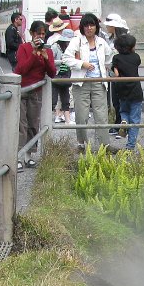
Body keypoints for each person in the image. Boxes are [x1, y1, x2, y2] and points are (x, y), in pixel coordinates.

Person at [63, 12, 113, 151]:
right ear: (82, 27)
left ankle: (104, 145)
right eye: (86, 25)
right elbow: (66, 58)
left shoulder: (101, 42)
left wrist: (106, 69)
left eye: (92, 25)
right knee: (81, 115)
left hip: (99, 83)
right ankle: (82, 144)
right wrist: (82, 64)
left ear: (96, 27)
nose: (89, 28)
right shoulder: (77, 41)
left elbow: (109, 57)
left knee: (101, 115)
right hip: (81, 83)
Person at [13, 20, 56, 171]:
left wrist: (45, 57)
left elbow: (52, 72)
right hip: (22, 89)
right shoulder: (23, 48)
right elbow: (21, 69)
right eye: (38, 34)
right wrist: (33, 54)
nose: (41, 37)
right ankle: (18, 156)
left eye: (43, 34)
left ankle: (28, 155)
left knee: (33, 123)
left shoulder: (48, 51)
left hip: (36, 91)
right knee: (21, 124)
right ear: (32, 33)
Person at [111, 33, 144, 151]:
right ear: (131, 47)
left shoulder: (116, 58)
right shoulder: (136, 57)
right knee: (135, 119)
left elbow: (116, 74)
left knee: (124, 110)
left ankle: (124, 120)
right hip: (135, 90)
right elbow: (137, 64)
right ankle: (130, 146)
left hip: (121, 90)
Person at [102, 13, 129, 136]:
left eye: (109, 25)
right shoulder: (111, 39)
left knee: (122, 100)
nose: (107, 27)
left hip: (122, 73)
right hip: (113, 73)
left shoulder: (124, 39)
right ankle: (118, 124)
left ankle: (123, 126)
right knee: (116, 101)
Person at [50, 28, 74, 124]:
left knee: (66, 98)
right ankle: (50, 119)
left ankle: (67, 119)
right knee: (53, 99)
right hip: (56, 75)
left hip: (66, 75)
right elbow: (50, 61)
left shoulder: (70, 48)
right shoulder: (55, 47)